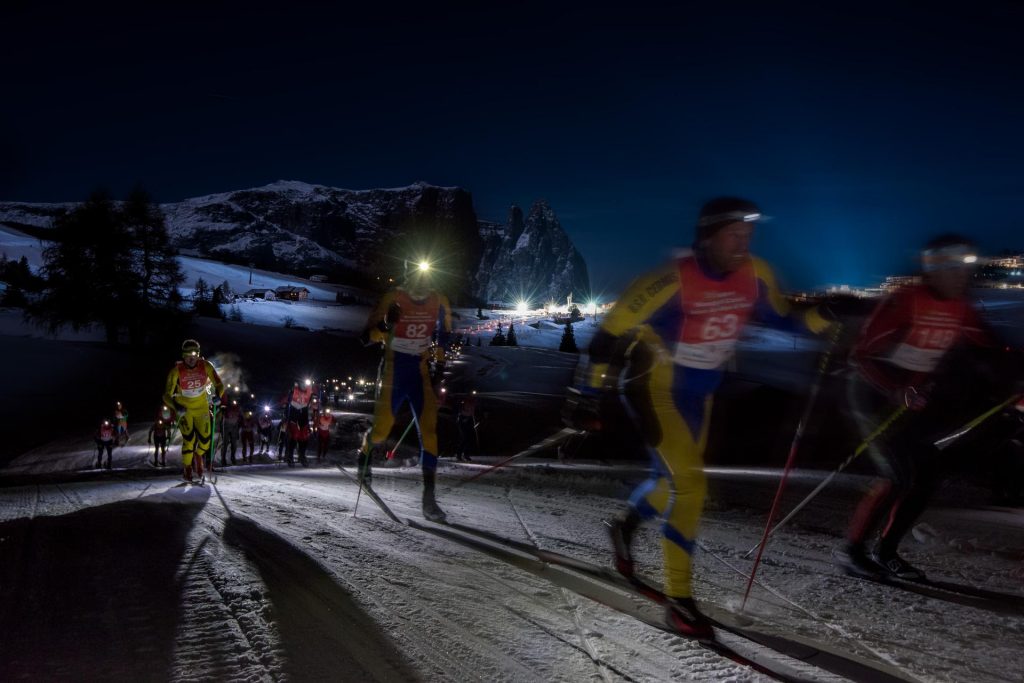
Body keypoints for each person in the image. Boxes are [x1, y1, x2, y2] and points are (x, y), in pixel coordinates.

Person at [590, 197, 832, 638]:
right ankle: (679, 602)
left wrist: (825, 318)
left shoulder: (756, 275)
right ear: (707, 235)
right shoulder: (669, 281)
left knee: (670, 484)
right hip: (654, 392)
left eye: (749, 234)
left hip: (699, 397)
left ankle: (624, 527)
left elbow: (785, 320)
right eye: (733, 234)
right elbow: (607, 335)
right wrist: (587, 392)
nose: (743, 242)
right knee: (692, 485)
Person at [835, 235, 1002, 581]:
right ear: (934, 271)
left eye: (964, 271)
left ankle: (885, 551)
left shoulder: (961, 306)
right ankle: (851, 552)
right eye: (953, 270)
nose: (961, 278)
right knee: (897, 474)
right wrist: (896, 389)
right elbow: (861, 357)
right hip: (872, 392)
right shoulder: (906, 300)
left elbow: (991, 347)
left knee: (927, 474)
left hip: (912, 396)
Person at [355, 262, 453, 522]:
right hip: (392, 372)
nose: (421, 286)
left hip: (419, 374)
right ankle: (365, 452)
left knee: (430, 433)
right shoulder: (393, 298)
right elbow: (366, 337)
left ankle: (429, 499)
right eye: (416, 279)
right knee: (382, 430)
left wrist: (439, 372)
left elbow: (444, 337)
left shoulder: (439, 300)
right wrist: (387, 324)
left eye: (427, 279)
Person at [162, 339, 225, 483]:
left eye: (195, 354)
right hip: (185, 409)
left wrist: (218, 396)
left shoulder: (206, 366)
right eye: (188, 355)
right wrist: (176, 406)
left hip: (202, 407)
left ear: (198, 354)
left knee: (205, 441)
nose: (191, 358)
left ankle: (198, 456)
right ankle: (187, 468)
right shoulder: (176, 371)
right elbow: (165, 395)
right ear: (183, 356)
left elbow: (219, 384)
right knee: (189, 440)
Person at [281, 381, 313, 466]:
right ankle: (290, 456)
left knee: (304, 437)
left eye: (305, 385)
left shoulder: (309, 390)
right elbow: (284, 400)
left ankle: (302, 455)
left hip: (303, 414)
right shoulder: (293, 390)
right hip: (294, 414)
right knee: (294, 436)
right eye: (302, 385)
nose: (304, 387)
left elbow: (315, 394)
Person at [454, 390, 478, 462]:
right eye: (471, 395)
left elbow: (473, 410)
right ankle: (458, 454)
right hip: (463, 418)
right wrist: (463, 417)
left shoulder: (473, 402)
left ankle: (466, 454)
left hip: (470, 419)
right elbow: (459, 410)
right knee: (464, 437)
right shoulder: (464, 401)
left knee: (469, 437)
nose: (472, 396)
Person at [219, 399, 242, 465]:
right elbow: (221, 411)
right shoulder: (226, 407)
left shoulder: (238, 408)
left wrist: (238, 426)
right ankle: (223, 459)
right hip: (226, 426)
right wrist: (223, 409)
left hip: (234, 426)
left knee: (234, 444)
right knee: (225, 443)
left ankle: (233, 458)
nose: (234, 402)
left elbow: (240, 418)